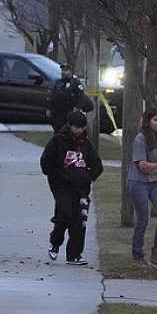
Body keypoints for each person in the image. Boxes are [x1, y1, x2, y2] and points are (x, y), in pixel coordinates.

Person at [40, 110, 103, 265]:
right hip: (61, 186)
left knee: (80, 219)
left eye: (82, 127)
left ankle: (74, 254)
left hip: (81, 187)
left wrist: (87, 176)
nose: (79, 130)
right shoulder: (57, 141)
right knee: (64, 213)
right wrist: (60, 175)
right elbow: (46, 164)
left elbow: (97, 165)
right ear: (69, 125)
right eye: (76, 127)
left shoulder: (86, 144)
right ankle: (55, 242)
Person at [128, 108, 157, 268]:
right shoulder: (141, 138)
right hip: (138, 182)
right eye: (155, 120)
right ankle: (137, 255)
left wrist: (156, 167)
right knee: (142, 220)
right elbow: (142, 166)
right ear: (148, 121)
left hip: (155, 182)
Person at [48, 64, 94, 132]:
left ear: (70, 71)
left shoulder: (75, 83)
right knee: (57, 131)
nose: (63, 72)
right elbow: (53, 96)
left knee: (67, 131)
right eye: (62, 70)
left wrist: (77, 110)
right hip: (58, 113)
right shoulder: (58, 83)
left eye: (65, 70)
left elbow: (81, 97)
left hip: (69, 112)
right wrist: (49, 109)